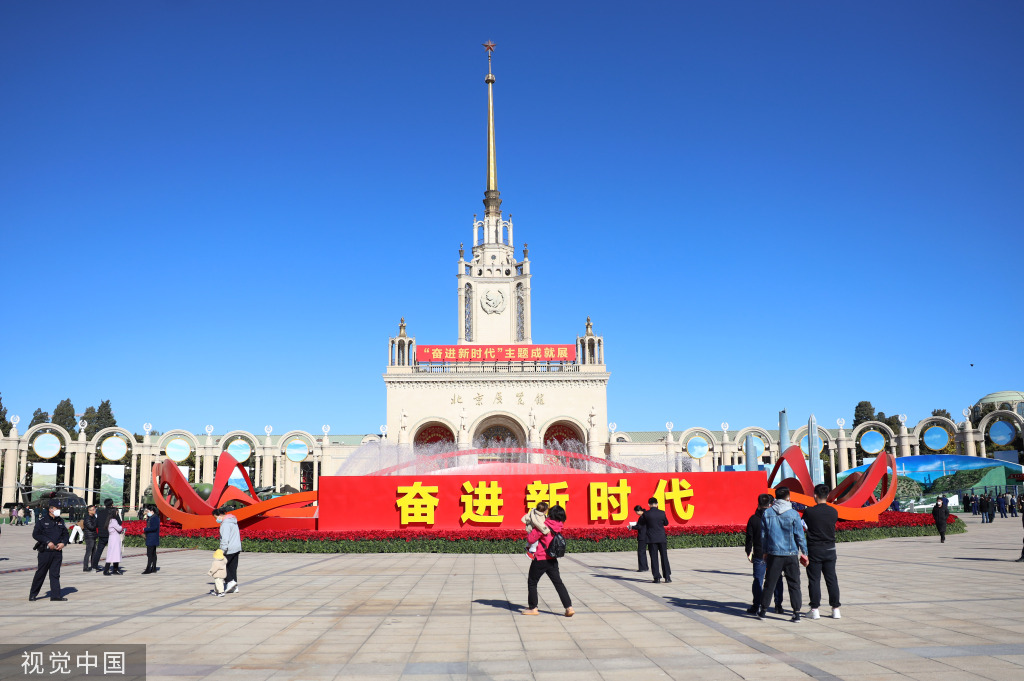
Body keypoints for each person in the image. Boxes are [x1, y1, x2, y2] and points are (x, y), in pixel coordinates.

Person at [759, 486, 808, 622]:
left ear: (775, 498)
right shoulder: (793, 514)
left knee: (770, 583)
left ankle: (763, 611)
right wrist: (805, 552)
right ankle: (796, 613)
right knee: (794, 583)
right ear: (788, 497)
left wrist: (764, 552)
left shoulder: (767, 513)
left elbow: (764, 536)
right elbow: (799, 535)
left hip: (774, 554)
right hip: (791, 553)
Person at [520, 504, 573, 617]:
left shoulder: (543, 525)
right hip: (552, 559)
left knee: (532, 582)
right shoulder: (559, 526)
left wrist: (533, 528)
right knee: (558, 583)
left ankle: (533, 608)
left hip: (541, 558)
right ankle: (569, 607)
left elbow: (531, 538)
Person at [803, 484, 841, 620]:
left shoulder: (809, 512)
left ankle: (814, 610)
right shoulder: (833, 511)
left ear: (815, 495)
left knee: (814, 580)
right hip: (830, 549)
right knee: (831, 579)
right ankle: (835, 609)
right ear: (828, 496)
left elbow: (805, 526)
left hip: (814, 549)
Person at [744, 493, 783, 615]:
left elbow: (749, 538)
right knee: (776, 579)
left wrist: (748, 551)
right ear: (771, 505)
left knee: (758, 580)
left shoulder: (753, 519)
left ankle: (757, 605)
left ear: (758, 504)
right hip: (774, 553)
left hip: (759, 554)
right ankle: (778, 605)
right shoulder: (775, 517)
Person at [30, 502, 69, 601]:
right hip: (45, 552)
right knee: (41, 573)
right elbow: (36, 534)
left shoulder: (60, 521)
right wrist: (47, 542)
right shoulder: (42, 521)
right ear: (51, 509)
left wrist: (63, 543)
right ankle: (33, 594)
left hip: (57, 552)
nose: (59, 510)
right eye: (57, 508)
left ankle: (55, 596)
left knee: (55, 574)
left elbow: (65, 534)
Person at [639, 497, 671, 583]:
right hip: (661, 538)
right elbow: (666, 523)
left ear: (649, 505)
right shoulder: (662, 513)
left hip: (651, 538)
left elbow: (641, 524)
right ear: (657, 504)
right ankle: (667, 577)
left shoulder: (646, 514)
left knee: (654, 558)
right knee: (664, 557)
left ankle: (657, 578)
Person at [214, 507, 242, 593]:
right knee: (232, 567)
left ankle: (230, 582)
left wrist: (222, 549)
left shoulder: (225, 524)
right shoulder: (233, 521)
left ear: (220, 515)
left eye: (215, 517)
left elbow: (225, 538)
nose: (216, 519)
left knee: (222, 566)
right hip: (236, 547)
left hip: (229, 549)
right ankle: (234, 587)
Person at [92, 499, 113, 571]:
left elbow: (96, 523)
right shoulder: (112, 512)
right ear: (112, 504)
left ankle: (94, 566)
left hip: (101, 534)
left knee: (99, 551)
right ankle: (109, 568)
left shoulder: (100, 512)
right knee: (112, 551)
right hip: (110, 534)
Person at [102, 509, 124, 575]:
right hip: (115, 538)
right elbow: (119, 528)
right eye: (117, 513)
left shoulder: (109, 520)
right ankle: (107, 570)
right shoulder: (113, 521)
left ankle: (114, 569)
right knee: (113, 553)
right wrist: (121, 527)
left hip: (112, 537)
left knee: (114, 553)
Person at [143, 505, 161, 574]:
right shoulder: (152, 517)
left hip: (152, 537)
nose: (147, 512)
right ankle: (153, 568)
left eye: (148, 511)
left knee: (150, 554)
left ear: (152, 511)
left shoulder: (154, 518)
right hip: (152, 537)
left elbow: (154, 528)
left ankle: (148, 568)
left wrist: (145, 529)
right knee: (153, 553)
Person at [630, 505, 649, 572]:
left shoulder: (642, 517)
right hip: (646, 535)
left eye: (636, 512)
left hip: (642, 536)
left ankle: (642, 568)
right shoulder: (646, 515)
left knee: (641, 552)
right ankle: (645, 567)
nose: (636, 513)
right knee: (643, 552)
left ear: (638, 511)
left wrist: (631, 527)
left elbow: (639, 527)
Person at [82, 505, 98, 573]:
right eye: (93, 509)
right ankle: (85, 567)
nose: (95, 510)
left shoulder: (93, 517)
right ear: (89, 511)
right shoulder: (87, 518)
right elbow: (91, 527)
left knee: (94, 552)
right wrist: (97, 523)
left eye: (94, 509)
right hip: (89, 537)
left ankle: (93, 566)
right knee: (88, 552)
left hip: (93, 536)